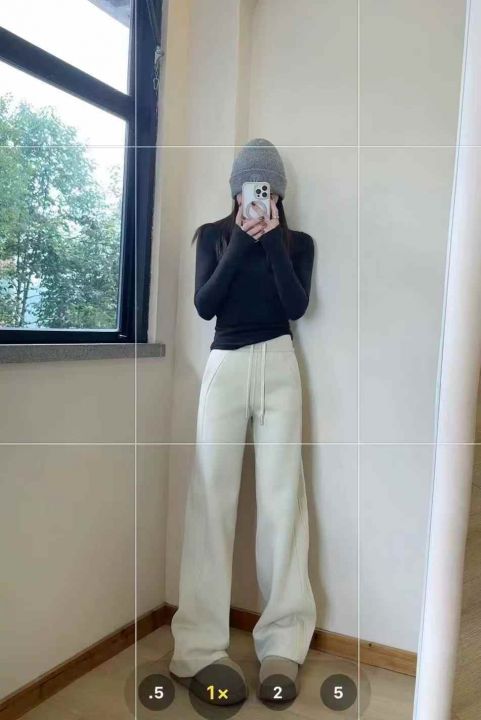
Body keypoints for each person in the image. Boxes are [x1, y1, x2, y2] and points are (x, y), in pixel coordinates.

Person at [169, 138, 317, 704]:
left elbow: (295, 306)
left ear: (278, 193)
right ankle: (198, 649)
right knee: (211, 499)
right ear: (236, 191)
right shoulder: (211, 236)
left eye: (267, 189)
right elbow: (206, 305)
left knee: (283, 503)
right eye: (251, 188)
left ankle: (283, 644)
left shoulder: (299, 243)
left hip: (280, 364)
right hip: (225, 365)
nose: (258, 196)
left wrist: (273, 242)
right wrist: (237, 243)